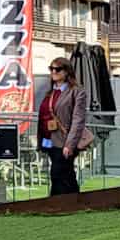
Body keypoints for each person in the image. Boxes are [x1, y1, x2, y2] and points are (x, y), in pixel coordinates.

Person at [37, 57, 88, 197]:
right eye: (51, 69)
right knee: (65, 174)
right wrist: (41, 142)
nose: (54, 72)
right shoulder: (51, 92)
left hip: (65, 141)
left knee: (58, 173)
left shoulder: (77, 92)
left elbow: (78, 120)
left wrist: (69, 145)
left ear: (66, 71)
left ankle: (56, 204)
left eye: (57, 69)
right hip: (50, 141)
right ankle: (76, 202)